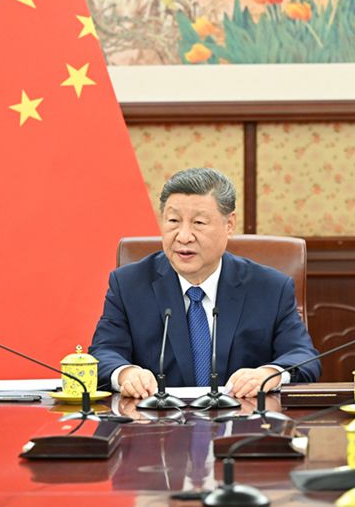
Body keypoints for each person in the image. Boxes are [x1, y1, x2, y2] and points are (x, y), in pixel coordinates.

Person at [89, 168, 320, 399]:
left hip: (243, 418)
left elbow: (303, 357)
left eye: (199, 222)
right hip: (157, 418)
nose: (183, 236)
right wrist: (126, 373)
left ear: (229, 224)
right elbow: (103, 353)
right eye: (173, 221)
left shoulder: (270, 288)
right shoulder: (129, 284)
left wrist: (268, 374)